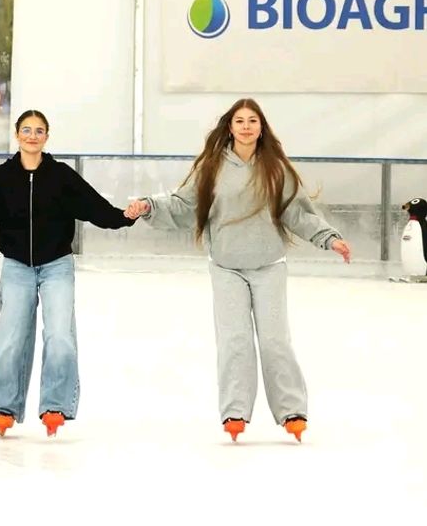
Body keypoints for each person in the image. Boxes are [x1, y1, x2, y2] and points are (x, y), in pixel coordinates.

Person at [124, 98, 351, 443]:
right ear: (229, 127)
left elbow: (298, 213)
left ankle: (292, 410)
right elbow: (185, 205)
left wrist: (328, 238)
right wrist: (149, 207)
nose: (246, 126)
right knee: (235, 341)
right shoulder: (212, 167)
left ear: (261, 128)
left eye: (252, 121)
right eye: (239, 121)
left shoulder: (276, 168)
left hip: (269, 267)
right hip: (227, 267)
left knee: (275, 340)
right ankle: (235, 411)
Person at [0, 109, 134, 438]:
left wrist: (123, 217)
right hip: (16, 267)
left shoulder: (61, 176)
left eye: (38, 130)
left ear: (46, 136)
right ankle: (4, 406)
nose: (32, 135)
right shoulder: (4, 176)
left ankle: (55, 404)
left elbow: (94, 207)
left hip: (57, 266)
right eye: (26, 130)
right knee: (10, 339)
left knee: (60, 336)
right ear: (17, 135)